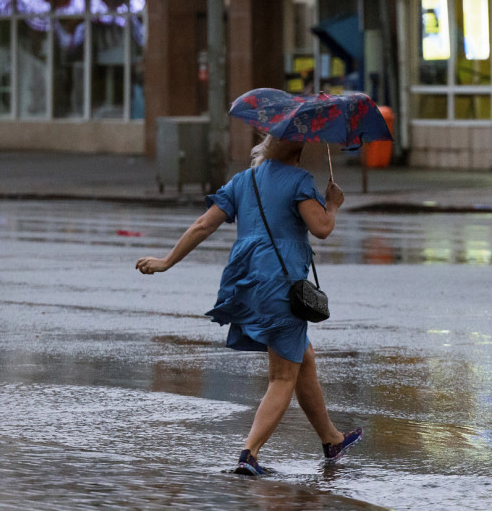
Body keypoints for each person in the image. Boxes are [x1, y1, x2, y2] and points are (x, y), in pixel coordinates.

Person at [135, 135, 362, 476]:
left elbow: (203, 224)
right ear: (298, 151)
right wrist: (333, 204)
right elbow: (322, 228)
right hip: (280, 287)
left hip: (248, 283)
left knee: (304, 357)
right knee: (283, 375)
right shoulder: (298, 181)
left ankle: (332, 439)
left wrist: (166, 261)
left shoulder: (243, 181)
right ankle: (249, 453)